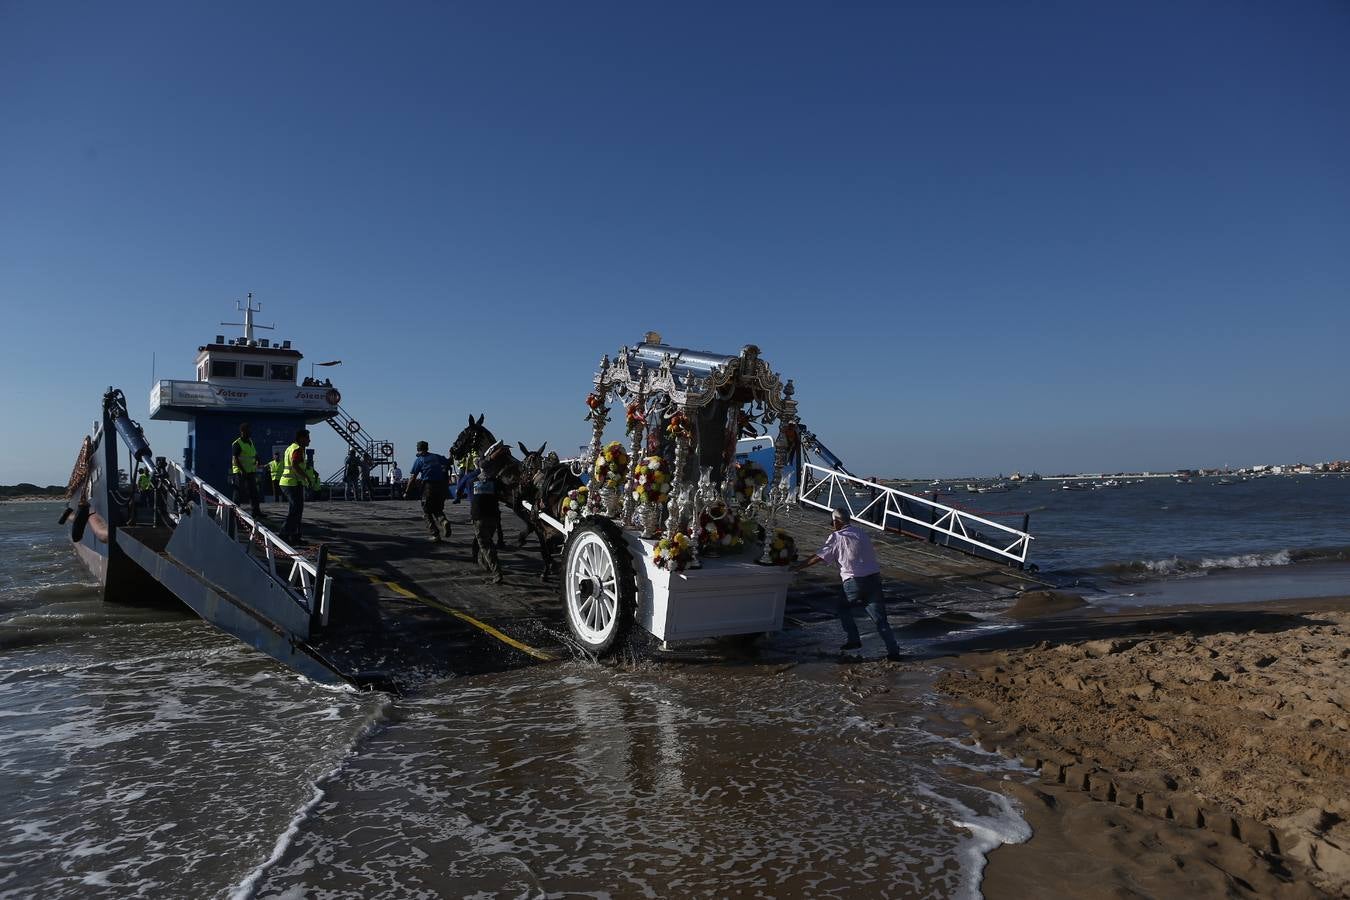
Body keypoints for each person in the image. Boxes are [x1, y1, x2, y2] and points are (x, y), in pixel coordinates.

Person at [794, 507, 902, 661]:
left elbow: (818, 557)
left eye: (832, 522)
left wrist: (797, 567)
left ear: (837, 522)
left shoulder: (836, 537)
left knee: (842, 608)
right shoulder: (862, 533)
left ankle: (853, 639)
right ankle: (893, 650)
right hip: (874, 579)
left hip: (854, 581)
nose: (832, 525)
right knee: (880, 620)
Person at [406, 441, 451, 542]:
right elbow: (449, 462)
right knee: (438, 509)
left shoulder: (419, 460)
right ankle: (443, 521)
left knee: (427, 512)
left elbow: (413, 477)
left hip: (428, 487)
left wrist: (407, 491)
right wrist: (451, 455)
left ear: (418, 449)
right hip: (440, 487)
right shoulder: (436, 457)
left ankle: (435, 535)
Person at [469, 466, 503, 583]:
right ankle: (486, 564)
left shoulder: (471, 480)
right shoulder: (495, 482)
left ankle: (497, 572)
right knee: (488, 541)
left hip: (479, 517)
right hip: (493, 517)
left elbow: (471, 497)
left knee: (486, 545)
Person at [278, 428, 311, 542]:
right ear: (301, 439)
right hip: (291, 484)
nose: (309, 441)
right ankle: (284, 535)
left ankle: (295, 536)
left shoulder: (291, 448)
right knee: (295, 510)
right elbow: (295, 465)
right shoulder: (297, 449)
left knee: (297, 510)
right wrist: (305, 477)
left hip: (291, 483)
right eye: (307, 438)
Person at [231, 422, 264, 518]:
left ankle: (256, 511)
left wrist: (258, 460)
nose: (250, 432)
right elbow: (235, 459)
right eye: (248, 430)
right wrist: (243, 471)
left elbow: (255, 453)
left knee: (254, 492)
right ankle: (234, 512)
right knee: (238, 492)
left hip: (251, 471)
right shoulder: (237, 444)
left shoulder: (250, 441)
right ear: (242, 431)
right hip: (240, 472)